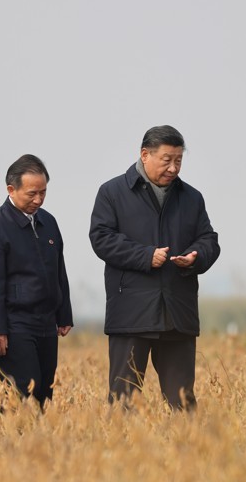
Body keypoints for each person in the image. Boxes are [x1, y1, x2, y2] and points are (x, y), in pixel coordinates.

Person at [89, 125, 220, 410]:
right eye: (167, 160)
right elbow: (101, 239)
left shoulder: (191, 197)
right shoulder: (112, 192)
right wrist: (145, 256)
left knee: (183, 402)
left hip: (178, 311)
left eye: (179, 160)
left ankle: (188, 451)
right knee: (123, 399)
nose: (173, 168)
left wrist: (195, 257)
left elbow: (209, 239)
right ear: (145, 154)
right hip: (132, 312)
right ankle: (121, 452)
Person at [0, 155, 73, 409]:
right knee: (21, 392)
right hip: (15, 324)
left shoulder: (48, 222)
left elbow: (59, 271)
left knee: (44, 390)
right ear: (11, 189)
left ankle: (40, 445)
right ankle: (16, 442)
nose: (38, 200)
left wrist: (64, 314)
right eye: (32, 193)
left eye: (43, 192)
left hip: (46, 323)